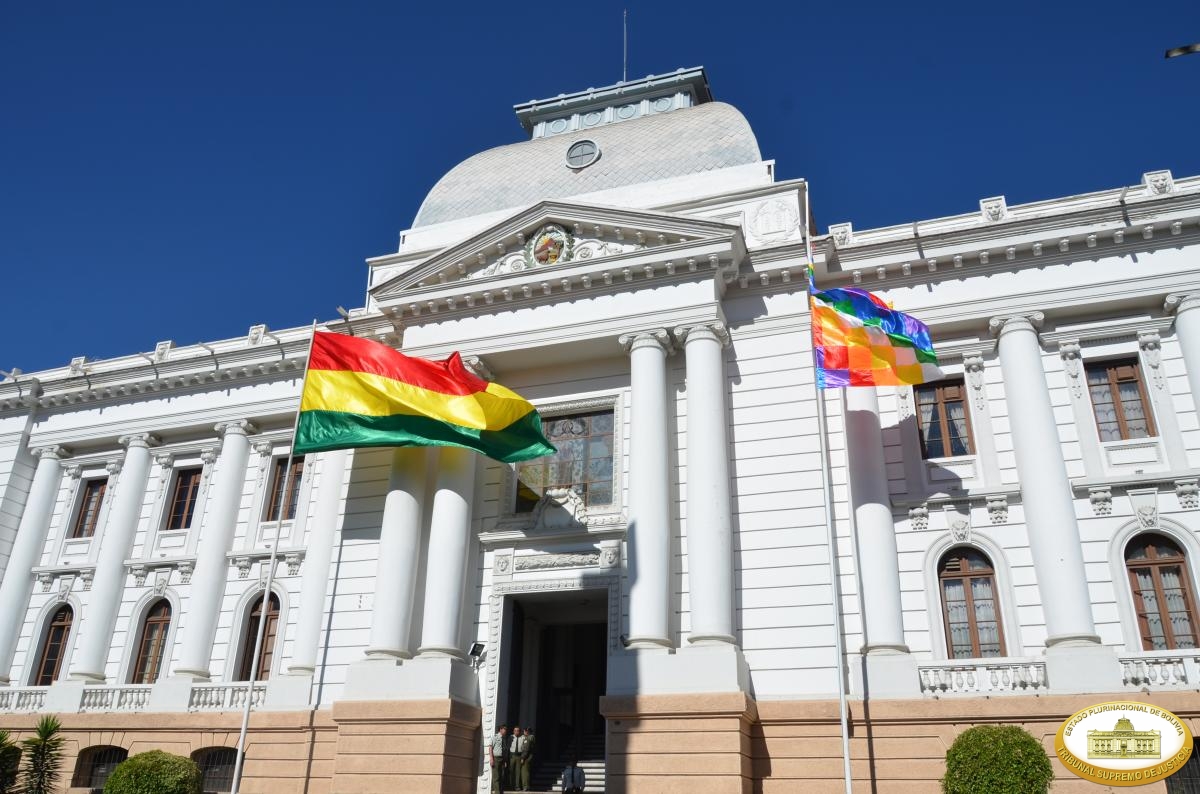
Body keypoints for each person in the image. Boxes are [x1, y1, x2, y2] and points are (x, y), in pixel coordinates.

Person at [489, 725, 509, 794]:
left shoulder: (504, 738)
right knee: (496, 776)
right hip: (496, 758)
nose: (505, 731)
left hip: (502, 759)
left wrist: (505, 761)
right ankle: (497, 792)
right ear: (500, 729)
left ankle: (500, 790)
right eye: (504, 729)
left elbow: (504, 750)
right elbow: (490, 747)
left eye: (506, 729)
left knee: (502, 776)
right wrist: (491, 758)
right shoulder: (495, 737)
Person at [509, 726, 526, 791]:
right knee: (511, 771)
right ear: (513, 731)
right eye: (515, 730)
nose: (516, 732)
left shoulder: (522, 738)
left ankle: (517, 786)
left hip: (519, 756)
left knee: (518, 772)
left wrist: (522, 757)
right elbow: (507, 747)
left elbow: (524, 748)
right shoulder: (511, 737)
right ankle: (511, 786)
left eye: (518, 730)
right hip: (512, 756)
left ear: (519, 731)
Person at [520, 727, 536, 792]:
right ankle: (527, 786)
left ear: (527, 731)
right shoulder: (531, 737)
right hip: (529, 757)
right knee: (527, 772)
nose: (524, 732)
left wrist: (523, 758)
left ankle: (525, 786)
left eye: (524, 731)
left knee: (525, 773)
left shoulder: (528, 738)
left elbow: (526, 749)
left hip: (526, 758)